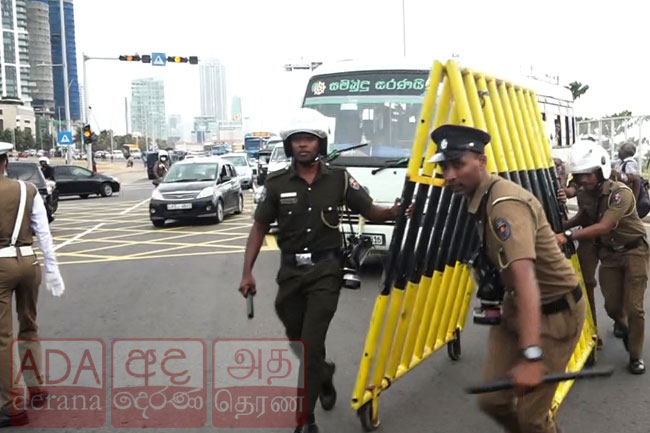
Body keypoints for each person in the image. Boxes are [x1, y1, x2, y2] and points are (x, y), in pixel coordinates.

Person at [238, 108, 405, 433]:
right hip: (289, 276)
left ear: (320, 143)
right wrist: (247, 272)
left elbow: (370, 210)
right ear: (289, 146)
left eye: (309, 139)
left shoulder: (340, 179)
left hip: (326, 273)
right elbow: (258, 228)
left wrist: (396, 212)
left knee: (311, 345)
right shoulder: (276, 184)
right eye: (297, 140)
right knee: (300, 342)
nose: (303, 145)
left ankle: (306, 419)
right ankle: (324, 375)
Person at [431, 124, 585, 433]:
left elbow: (526, 278)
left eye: (458, 164)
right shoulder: (480, 196)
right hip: (516, 307)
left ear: (482, 162)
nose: (449, 175)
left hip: (555, 312)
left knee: (531, 417)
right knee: (492, 400)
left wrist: (531, 354)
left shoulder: (504, 205)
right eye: (444, 166)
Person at [557, 141, 648, 374]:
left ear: (601, 170)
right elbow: (584, 216)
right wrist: (562, 225)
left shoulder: (620, 193)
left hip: (634, 251)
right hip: (610, 255)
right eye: (579, 176)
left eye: (588, 175)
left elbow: (605, 226)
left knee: (635, 307)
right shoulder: (585, 192)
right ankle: (622, 324)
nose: (583, 180)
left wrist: (567, 235)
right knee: (613, 307)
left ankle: (635, 355)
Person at [0, 143, 65, 427]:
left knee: (2, 338)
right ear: (5, 163)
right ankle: (36, 387)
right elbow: (44, 233)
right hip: (29, 262)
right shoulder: (28, 190)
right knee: (29, 324)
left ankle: (12, 407)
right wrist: (53, 271)